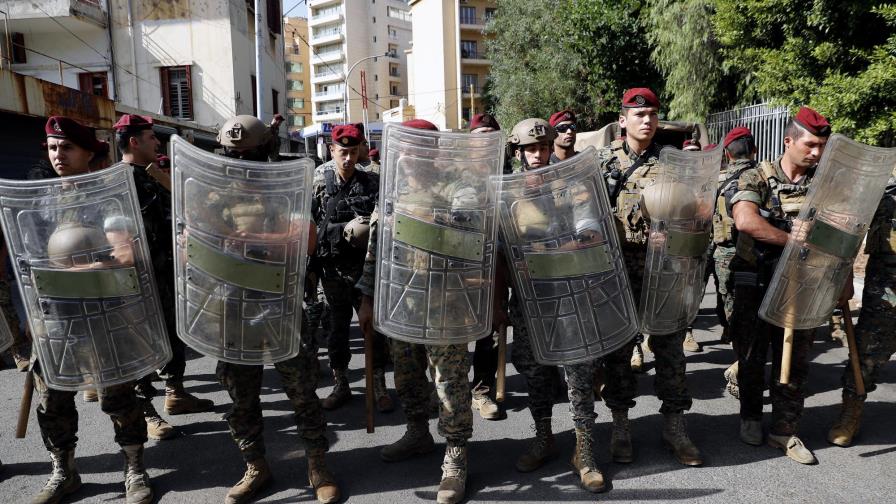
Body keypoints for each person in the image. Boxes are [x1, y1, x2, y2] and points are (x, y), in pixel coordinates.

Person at [210, 115, 340, 504]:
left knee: (301, 391)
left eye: (247, 154)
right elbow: (192, 249)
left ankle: (317, 464)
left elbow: (308, 241)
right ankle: (255, 465)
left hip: (280, 304)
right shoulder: (213, 196)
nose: (240, 162)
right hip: (233, 307)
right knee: (241, 398)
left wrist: (253, 239)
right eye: (233, 155)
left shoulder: (285, 188)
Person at [28, 116, 153, 504]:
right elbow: (28, 256)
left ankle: (134, 468)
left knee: (118, 397)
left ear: (87, 153)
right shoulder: (38, 201)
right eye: (53, 148)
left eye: (67, 147)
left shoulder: (106, 197)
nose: (58, 155)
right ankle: (64, 471)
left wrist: (76, 271)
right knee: (53, 399)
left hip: (103, 311)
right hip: (56, 313)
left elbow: (126, 257)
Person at [357, 118, 475, 504]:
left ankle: (455, 454)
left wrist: (428, 217)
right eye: (404, 147)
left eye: (417, 146)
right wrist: (367, 299)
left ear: (432, 151)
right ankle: (418, 432)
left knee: (450, 383)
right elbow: (376, 249)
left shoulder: (457, 186)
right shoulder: (392, 191)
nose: (408, 155)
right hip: (401, 302)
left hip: (446, 304)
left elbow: (468, 227)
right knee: (407, 376)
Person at [495, 117, 606, 492]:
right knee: (535, 373)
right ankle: (544, 438)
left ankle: (584, 451)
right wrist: (497, 300)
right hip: (528, 300)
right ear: (518, 152)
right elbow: (497, 251)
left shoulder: (570, 184)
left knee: (578, 373)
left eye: (543, 147)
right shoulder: (506, 192)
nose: (538, 154)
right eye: (530, 148)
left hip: (569, 292)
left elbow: (590, 230)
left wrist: (555, 251)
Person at [598, 88, 704, 467]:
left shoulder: (673, 164)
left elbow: (695, 215)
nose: (647, 120)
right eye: (639, 114)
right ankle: (620, 426)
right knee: (618, 355)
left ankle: (675, 426)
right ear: (623, 119)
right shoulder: (601, 163)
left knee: (671, 352)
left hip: (663, 273)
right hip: (619, 274)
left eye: (653, 114)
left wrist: (672, 232)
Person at [728, 106, 837, 464]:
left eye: (821, 147)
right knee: (751, 354)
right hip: (756, 281)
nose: (816, 153)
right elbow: (746, 221)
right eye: (810, 145)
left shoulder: (822, 185)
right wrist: (793, 240)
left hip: (803, 284)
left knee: (795, 360)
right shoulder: (756, 177)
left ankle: (785, 430)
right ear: (788, 141)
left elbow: (839, 230)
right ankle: (750, 417)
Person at [114, 114, 215, 443]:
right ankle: (145, 412)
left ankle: (176, 393)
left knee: (173, 335)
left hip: (167, 273)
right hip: (135, 281)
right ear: (134, 141)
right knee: (142, 344)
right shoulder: (116, 182)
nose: (157, 141)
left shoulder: (152, 175)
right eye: (151, 137)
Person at [311, 124, 391, 412]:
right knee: (337, 329)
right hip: (331, 271)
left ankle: (378, 385)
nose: (348, 158)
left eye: (353, 152)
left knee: (373, 329)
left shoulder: (372, 182)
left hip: (364, 269)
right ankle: (341, 384)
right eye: (342, 152)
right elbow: (309, 225)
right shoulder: (318, 182)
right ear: (331, 150)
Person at [828, 167, 896, 447]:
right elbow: (852, 230)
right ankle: (850, 413)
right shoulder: (884, 189)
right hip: (887, 290)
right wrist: (843, 273)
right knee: (868, 351)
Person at [715, 126, 758, 400]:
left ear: (727, 154)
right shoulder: (763, 177)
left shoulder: (717, 180)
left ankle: (742, 365)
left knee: (734, 311)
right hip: (761, 255)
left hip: (725, 256)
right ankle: (745, 367)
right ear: (754, 150)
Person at [467, 113, 503, 421]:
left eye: (491, 134)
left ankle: (482, 392)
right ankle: (449, 392)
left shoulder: (508, 174)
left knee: (490, 333)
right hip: (462, 267)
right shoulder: (455, 174)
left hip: (495, 267)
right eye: (480, 136)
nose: (486, 141)